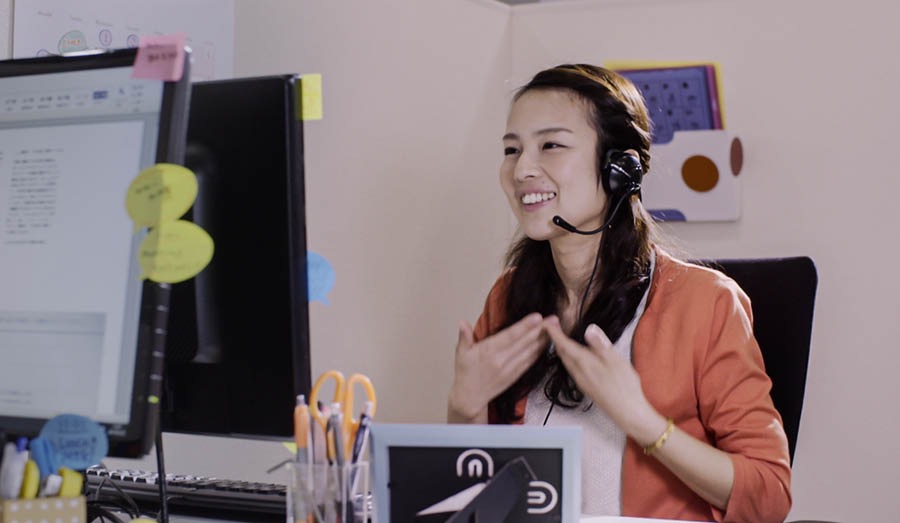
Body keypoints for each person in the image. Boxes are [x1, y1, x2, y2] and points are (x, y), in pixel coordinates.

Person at [446, 64, 791, 523]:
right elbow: (473, 493)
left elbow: (768, 496)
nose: (522, 169)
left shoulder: (706, 303)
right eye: (512, 149)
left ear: (618, 169)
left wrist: (642, 421)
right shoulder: (509, 296)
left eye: (550, 145)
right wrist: (463, 408)